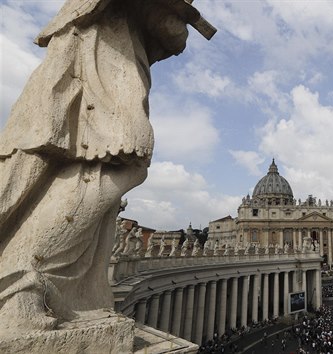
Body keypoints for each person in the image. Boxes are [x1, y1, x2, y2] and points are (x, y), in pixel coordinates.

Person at [0, 0, 204, 334]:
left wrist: (178, 19)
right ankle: (23, 283)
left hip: (117, 47)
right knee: (116, 157)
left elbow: (171, 35)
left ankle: (38, 283)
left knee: (97, 162)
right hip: (98, 48)